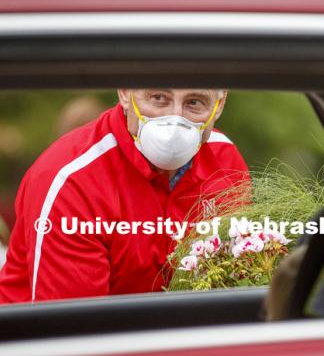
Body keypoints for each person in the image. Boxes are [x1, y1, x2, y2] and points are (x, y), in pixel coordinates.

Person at [0, 89, 249, 303]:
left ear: (220, 104)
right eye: (158, 97)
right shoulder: (74, 181)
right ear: (125, 93)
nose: (175, 121)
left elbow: (236, 281)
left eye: (194, 102)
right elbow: (72, 331)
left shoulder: (225, 160)